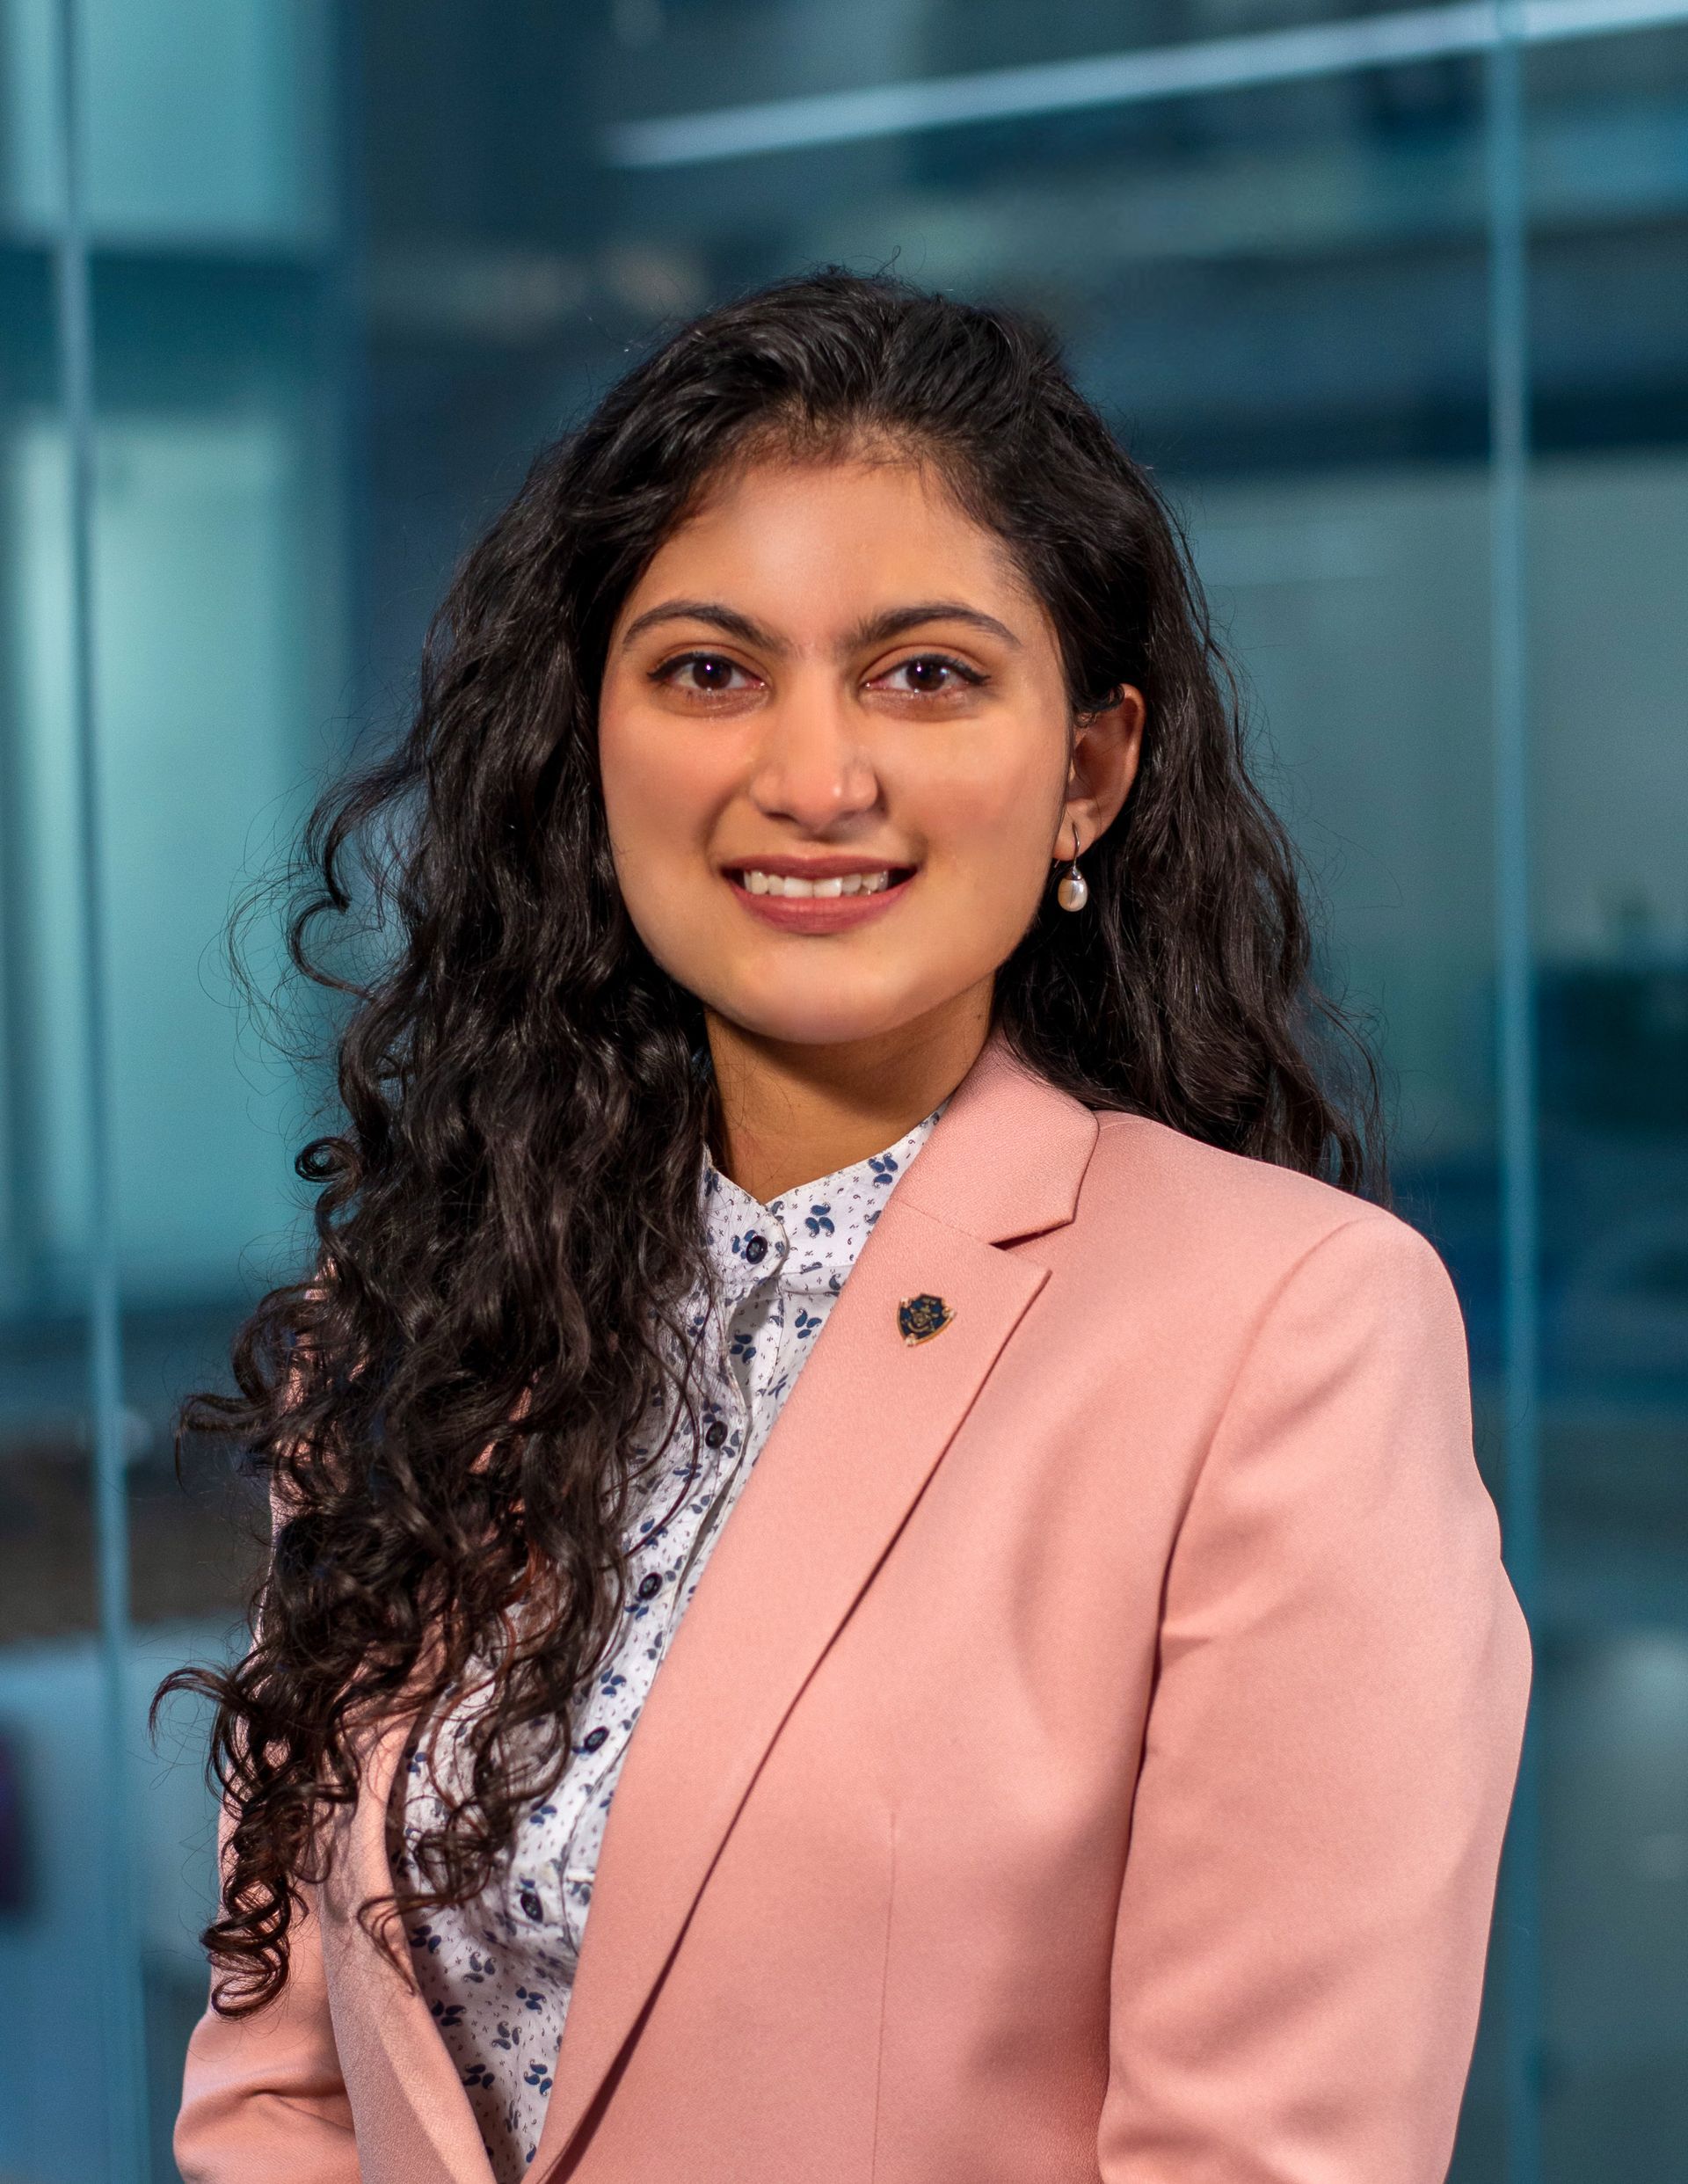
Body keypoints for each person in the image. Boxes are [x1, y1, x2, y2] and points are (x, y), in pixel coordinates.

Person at [166, 267, 1531, 2184]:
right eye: (710, 673)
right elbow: (278, 2090)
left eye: (927, 674)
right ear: (589, 742)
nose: (814, 781)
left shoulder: (1287, 1334)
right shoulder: (412, 1317)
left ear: (1089, 771)